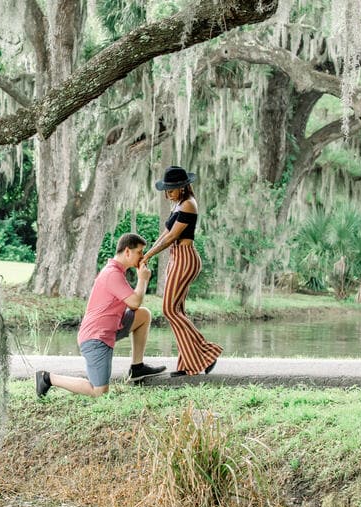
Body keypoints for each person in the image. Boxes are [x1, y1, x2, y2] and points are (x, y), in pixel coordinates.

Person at [35, 232, 166, 397]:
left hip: (111, 328)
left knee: (143, 315)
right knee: (99, 391)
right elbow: (134, 302)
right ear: (127, 251)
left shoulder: (116, 271)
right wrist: (142, 279)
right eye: (139, 252)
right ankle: (47, 378)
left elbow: (134, 306)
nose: (142, 257)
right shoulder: (112, 273)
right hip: (96, 338)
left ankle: (137, 368)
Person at [143, 166, 222, 377]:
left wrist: (149, 256)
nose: (168, 193)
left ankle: (206, 351)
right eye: (166, 189)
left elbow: (171, 238)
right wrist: (148, 252)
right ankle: (189, 365)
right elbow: (166, 233)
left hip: (185, 257)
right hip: (176, 257)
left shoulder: (188, 205)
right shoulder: (179, 204)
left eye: (172, 189)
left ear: (183, 187)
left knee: (169, 310)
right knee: (178, 311)